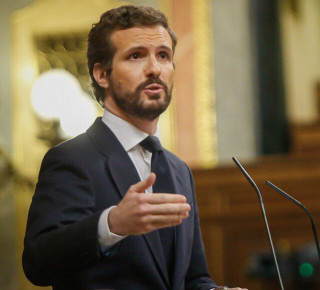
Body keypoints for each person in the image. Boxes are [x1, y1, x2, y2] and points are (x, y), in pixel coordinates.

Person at [23, 6, 245, 290]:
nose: (154, 68)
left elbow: (192, 278)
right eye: (136, 55)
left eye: (163, 55)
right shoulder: (71, 159)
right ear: (102, 74)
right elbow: (37, 262)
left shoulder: (179, 170)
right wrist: (112, 224)